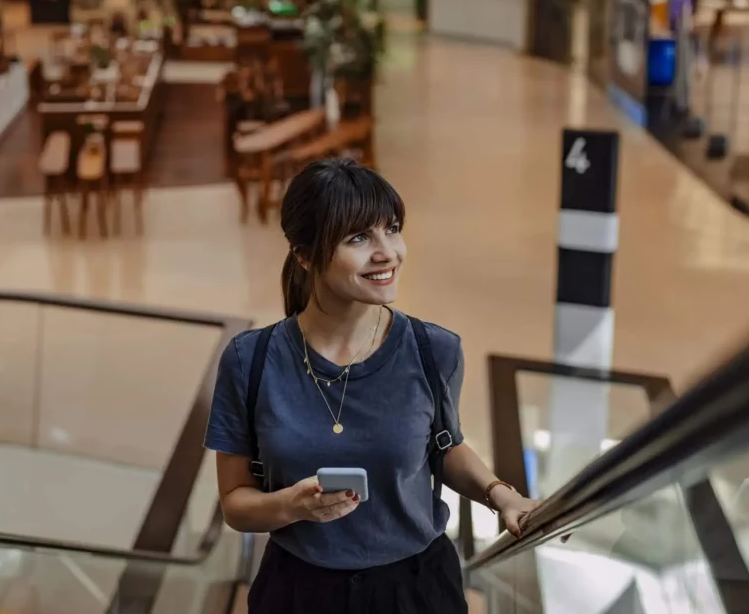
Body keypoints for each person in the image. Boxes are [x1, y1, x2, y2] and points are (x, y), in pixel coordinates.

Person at [205, 159, 540, 614]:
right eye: (358, 237)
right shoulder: (251, 360)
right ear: (303, 255)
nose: (388, 253)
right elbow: (235, 504)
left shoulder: (434, 349)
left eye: (392, 229)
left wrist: (500, 493)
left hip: (417, 590)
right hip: (298, 592)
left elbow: (443, 445)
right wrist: (293, 506)